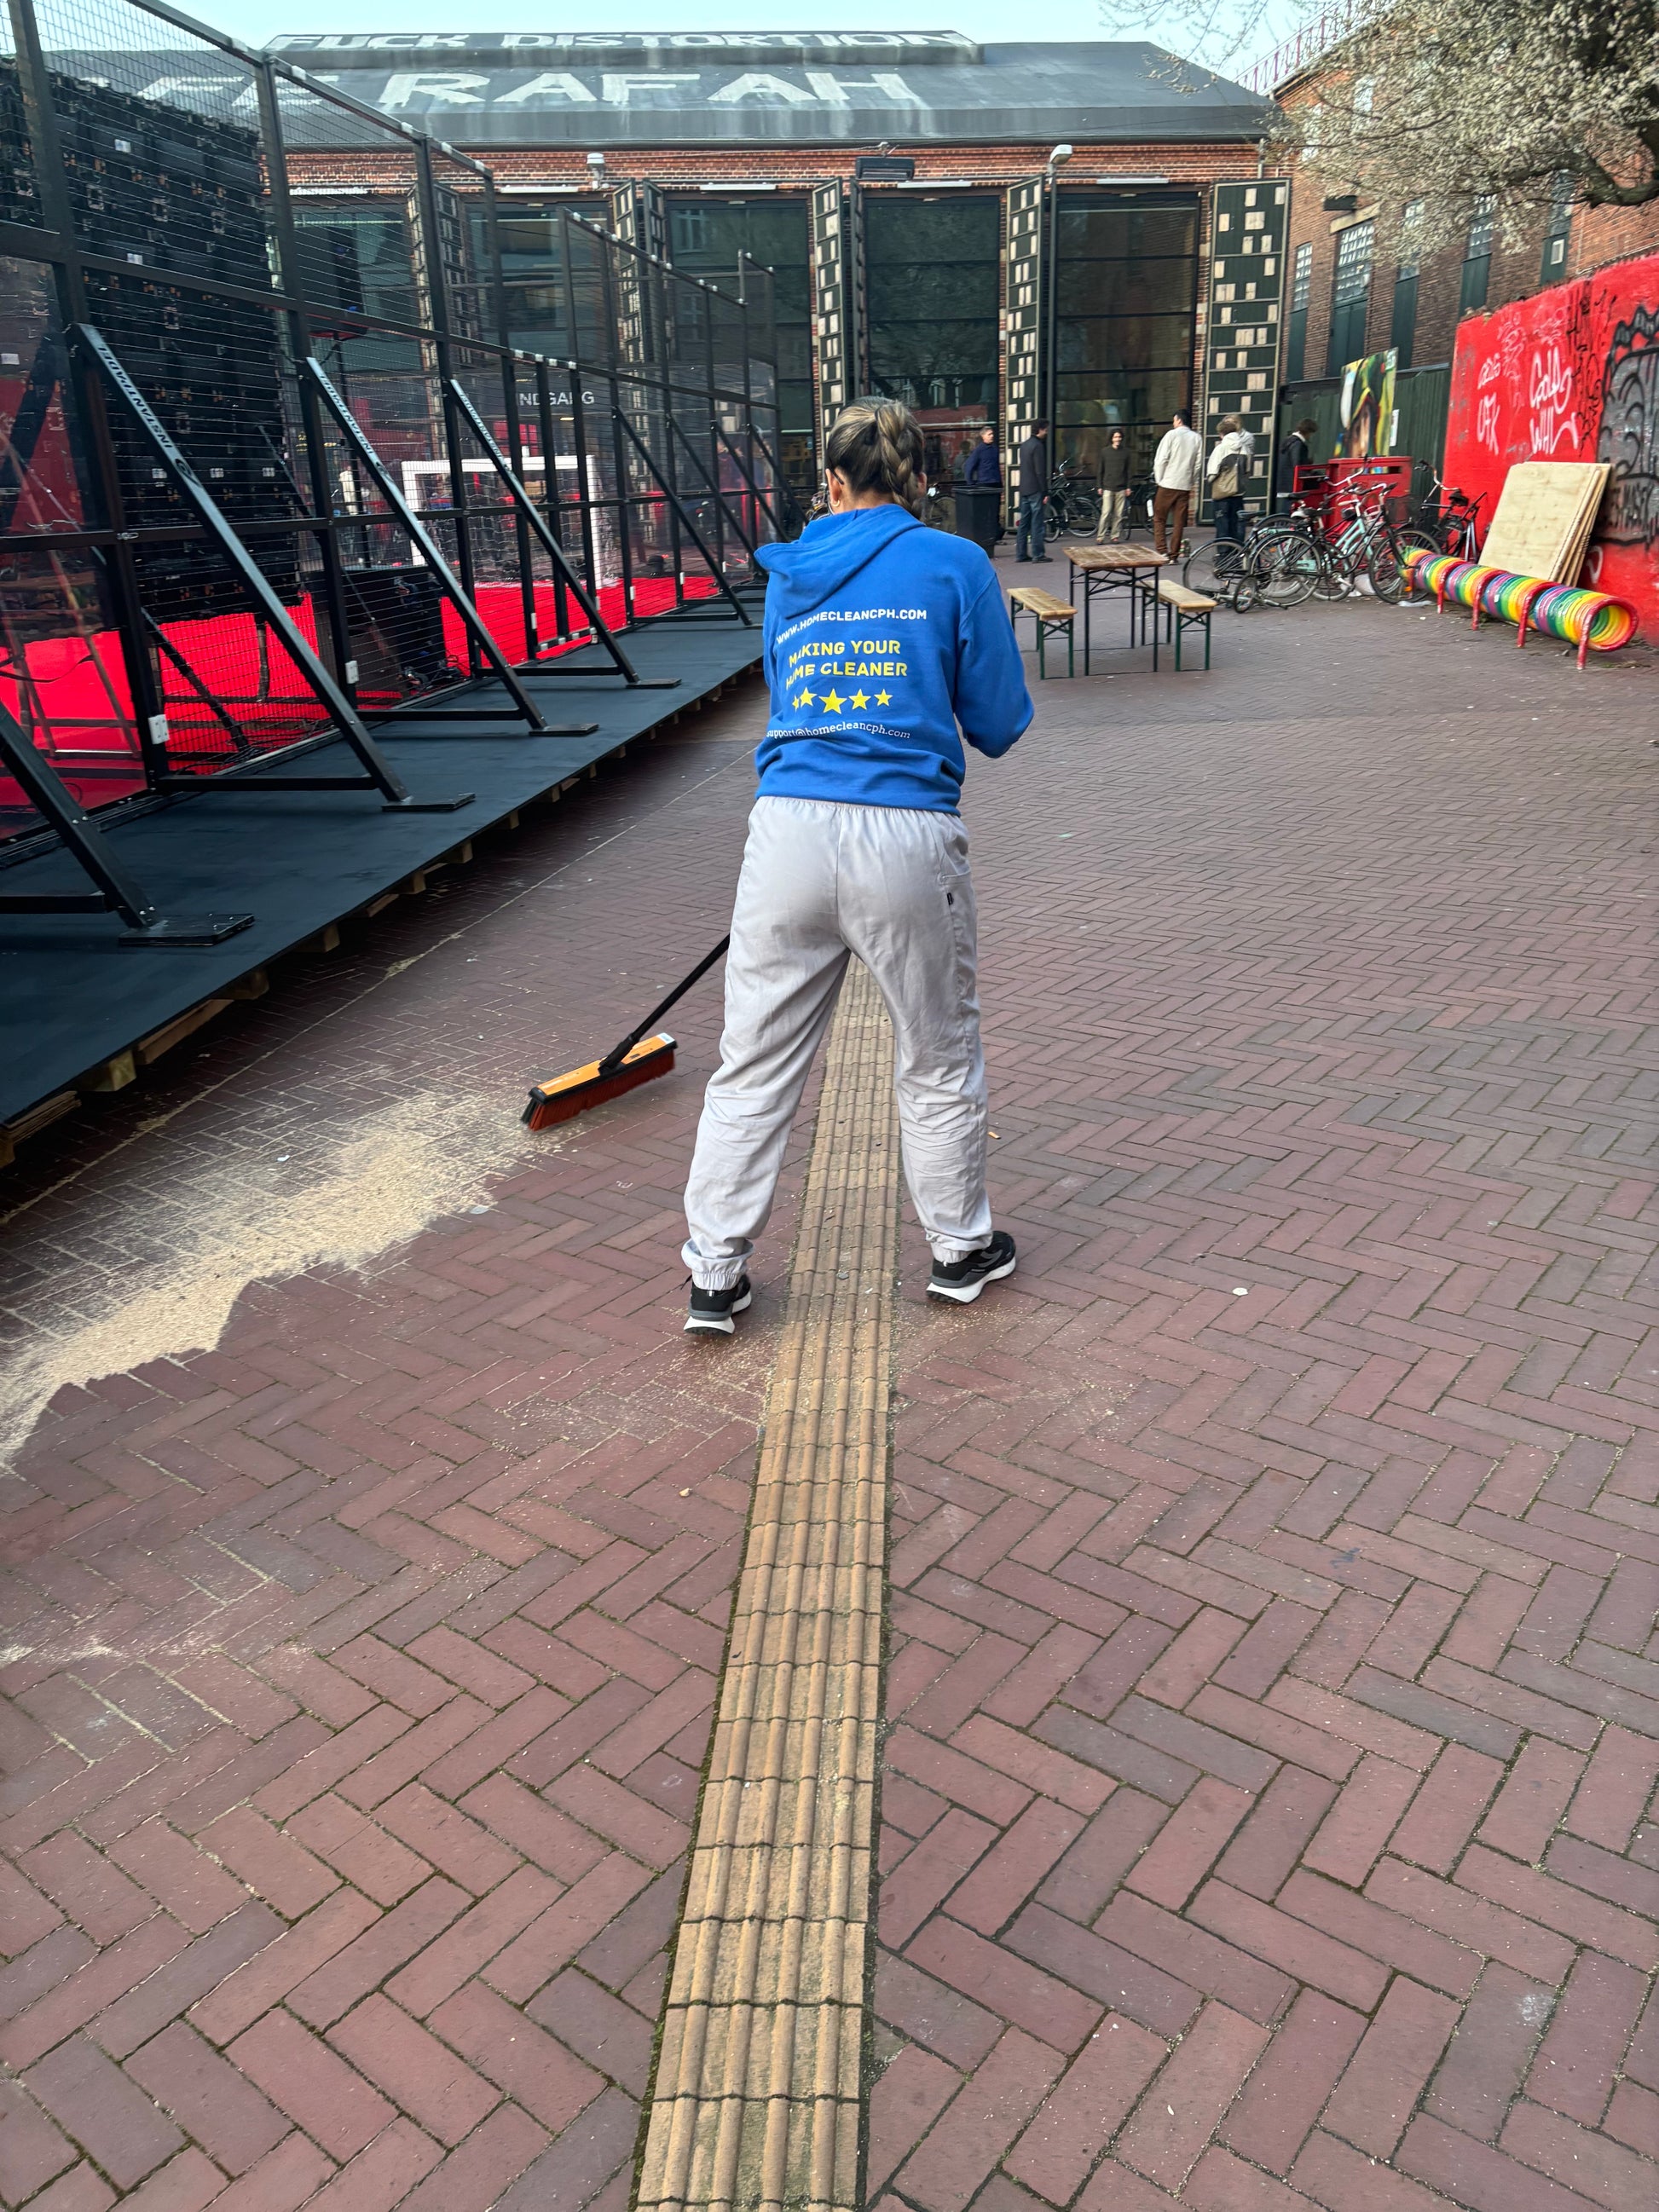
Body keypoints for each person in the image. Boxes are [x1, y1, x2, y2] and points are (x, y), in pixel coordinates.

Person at [680, 396, 1033, 1337]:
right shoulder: (953, 562)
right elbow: (997, 723)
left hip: (786, 823)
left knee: (752, 1062)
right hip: (905, 831)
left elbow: (782, 686)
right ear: (916, 475)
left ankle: (714, 1274)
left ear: (829, 480)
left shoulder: (788, 573)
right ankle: (958, 1250)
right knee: (935, 1052)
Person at [1152, 407, 1202, 560]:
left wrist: (1160, 480)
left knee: (1159, 518)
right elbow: (1198, 464)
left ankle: (1162, 551)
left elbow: (1160, 460)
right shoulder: (1197, 438)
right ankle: (1174, 555)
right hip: (1185, 484)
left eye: (1174, 420)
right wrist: (1191, 480)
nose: (1173, 423)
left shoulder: (1171, 435)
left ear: (1179, 420)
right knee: (1179, 522)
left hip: (1168, 482)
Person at [1206, 413, 1251, 545]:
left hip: (1222, 496)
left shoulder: (1221, 449)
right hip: (1238, 494)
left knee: (1222, 527)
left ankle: (1223, 558)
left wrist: (1211, 481)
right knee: (1237, 526)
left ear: (1222, 433)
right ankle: (1237, 556)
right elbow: (1247, 471)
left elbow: (1212, 472)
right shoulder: (1245, 449)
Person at [1014, 420, 1049, 562]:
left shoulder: (1024, 445)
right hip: (1035, 489)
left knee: (1024, 523)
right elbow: (1040, 472)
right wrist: (1045, 491)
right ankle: (1038, 554)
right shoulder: (1038, 446)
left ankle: (1021, 554)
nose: (1046, 432)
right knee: (1037, 523)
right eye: (1045, 430)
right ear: (1040, 430)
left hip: (1024, 488)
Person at [1095, 427, 1131, 541]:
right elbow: (1100, 470)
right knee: (1106, 513)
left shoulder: (1126, 452)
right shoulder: (1105, 452)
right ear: (1111, 438)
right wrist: (1099, 486)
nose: (1118, 439)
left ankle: (1115, 536)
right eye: (1115, 437)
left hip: (1121, 487)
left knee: (1119, 515)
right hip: (1108, 487)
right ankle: (1100, 536)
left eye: (1119, 437)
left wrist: (1129, 487)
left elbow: (1129, 471)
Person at [1277, 417, 1317, 512]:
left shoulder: (1289, 441)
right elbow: (1297, 464)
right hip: (1294, 483)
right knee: (1290, 508)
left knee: (1286, 508)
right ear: (1308, 432)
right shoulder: (1298, 444)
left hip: (1285, 482)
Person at [963, 424, 1001, 488]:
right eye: (989, 434)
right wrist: (970, 483)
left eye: (992, 434)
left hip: (996, 482)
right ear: (983, 436)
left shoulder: (995, 448)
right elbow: (969, 465)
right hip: (984, 483)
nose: (992, 436)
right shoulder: (979, 450)